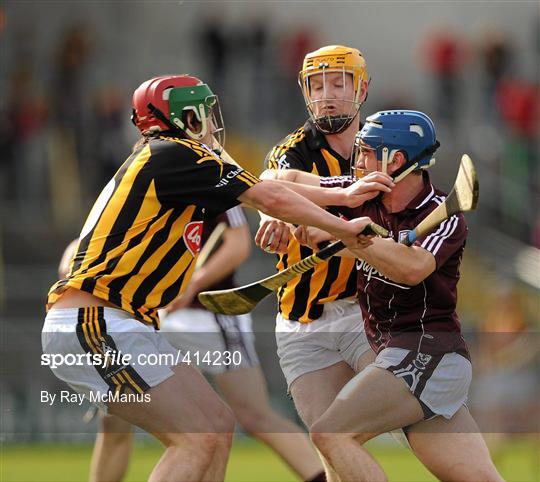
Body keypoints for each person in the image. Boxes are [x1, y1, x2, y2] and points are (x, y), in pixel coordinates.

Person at [42, 74, 373, 482]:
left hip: (122, 324)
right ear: (183, 117)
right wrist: (344, 223)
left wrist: (341, 197)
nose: (213, 122)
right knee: (195, 439)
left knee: (215, 424)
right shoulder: (176, 155)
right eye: (204, 112)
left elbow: (274, 189)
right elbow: (269, 196)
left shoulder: (167, 160)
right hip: (97, 323)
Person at [291, 110, 504, 481]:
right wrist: (283, 220)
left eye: (366, 153)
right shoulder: (361, 193)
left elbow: (411, 268)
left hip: (428, 353)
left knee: (331, 434)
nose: (357, 163)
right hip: (399, 354)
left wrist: (340, 232)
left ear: (397, 160)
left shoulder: (443, 214)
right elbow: (281, 182)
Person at [59, 208, 328, 482]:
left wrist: (192, 285)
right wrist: (73, 264)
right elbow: (89, 241)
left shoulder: (213, 170)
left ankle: (320, 477)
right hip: (150, 318)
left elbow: (238, 245)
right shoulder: (135, 178)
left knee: (253, 415)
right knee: (115, 422)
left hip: (208, 316)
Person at [255, 44, 394, 480]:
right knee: (329, 443)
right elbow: (272, 187)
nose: (326, 95)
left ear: (362, 89)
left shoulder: (382, 149)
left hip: (365, 313)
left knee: (425, 423)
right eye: (316, 86)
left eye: (338, 83)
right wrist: (271, 217)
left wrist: (329, 221)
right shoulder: (293, 150)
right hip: (302, 322)